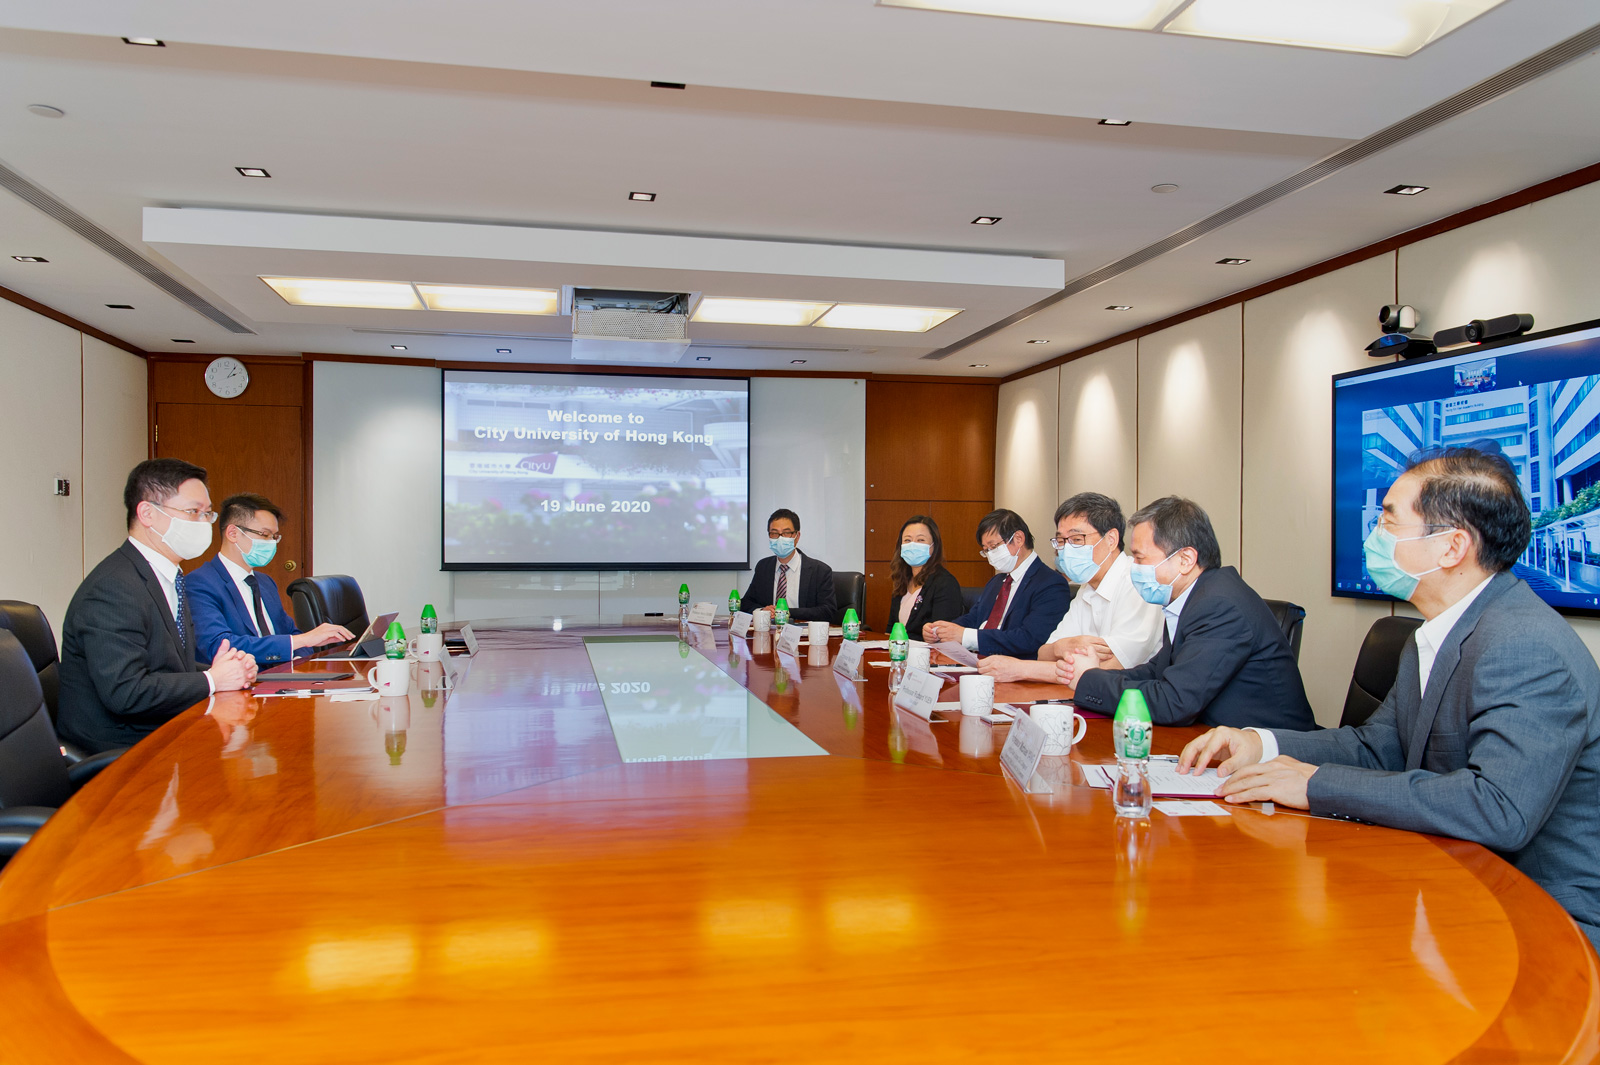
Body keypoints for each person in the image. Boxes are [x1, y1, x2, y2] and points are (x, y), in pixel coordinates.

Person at [1180, 447, 1600, 950]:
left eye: (1389, 519)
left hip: (1538, 920)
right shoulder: (1440, 631)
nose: (1374, 535)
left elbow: (1498, 809)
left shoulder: (1524, 645)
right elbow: (1381, 746)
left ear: (1451, 547)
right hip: (1450, 882)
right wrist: (1260, 744)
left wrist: (1316, 784)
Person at [1059, 496, 1314, 730]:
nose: (1133, 568)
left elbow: (1175, 702)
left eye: (1139, 558)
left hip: (1274, 753)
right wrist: (1094, 675)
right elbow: (1156, 671)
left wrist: (1089, 679)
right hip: (1212, 737)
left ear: (1185, 559)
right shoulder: (1192, 596)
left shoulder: (1219, 605)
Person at [58, 459, 257, 753]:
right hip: (121, 749)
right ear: (147, 513)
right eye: (193, 512)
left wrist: (230, 669)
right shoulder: (113, 587)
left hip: (161, 730)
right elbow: (126, 692)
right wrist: (211, 679)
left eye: (207, 514)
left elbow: (167, 664)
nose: (204, 523)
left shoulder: (167, 575)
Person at [977, 493, 1164, 683]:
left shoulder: (1138, 584)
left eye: (1076, 539)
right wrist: (1061, 647)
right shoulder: (1087, 588)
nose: (1065, 550)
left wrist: (1021, 669)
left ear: (1111, 539)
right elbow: (1045, 652)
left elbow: (1110, 668)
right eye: (1061, 541)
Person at [187, 493, 355, 667]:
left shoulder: (264, 582)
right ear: (233, 533)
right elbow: (220, 645)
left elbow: (291, 632)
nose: (271, 543)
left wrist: (298, 664)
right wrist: (303, 640)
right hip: (241, 683)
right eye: (265, 535)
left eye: (275, 537)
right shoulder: (199, 583)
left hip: (282, 680)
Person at [923, 509, 1069, 659]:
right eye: (986, 550)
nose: (990, 555)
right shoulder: (996, 582)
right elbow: (973, 618)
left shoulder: (1051, 584)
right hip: (976, 663)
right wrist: (940, 630)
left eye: (993, 547)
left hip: (1015, 670)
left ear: (1018, 539)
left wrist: (965, 636)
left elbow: (1029, 639)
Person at [740, 509, 837, 622]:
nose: (780, 538)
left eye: (786, 533)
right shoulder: (763, 567)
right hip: (769, 633)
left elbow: (828, 610)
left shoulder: (819, 571)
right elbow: (746, 603)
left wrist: (788, 612)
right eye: (774, 533)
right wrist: (762, 611)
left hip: (803, 635)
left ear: (797, 536)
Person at [885, 515, 964, 635]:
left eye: (920, 540)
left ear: (934, 546)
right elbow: (891, 629)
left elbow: (941, 636)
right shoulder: (902, 580)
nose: (913, 545)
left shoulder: (945, 583)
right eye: (907, 540)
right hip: (900, 651)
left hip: (929, 652)